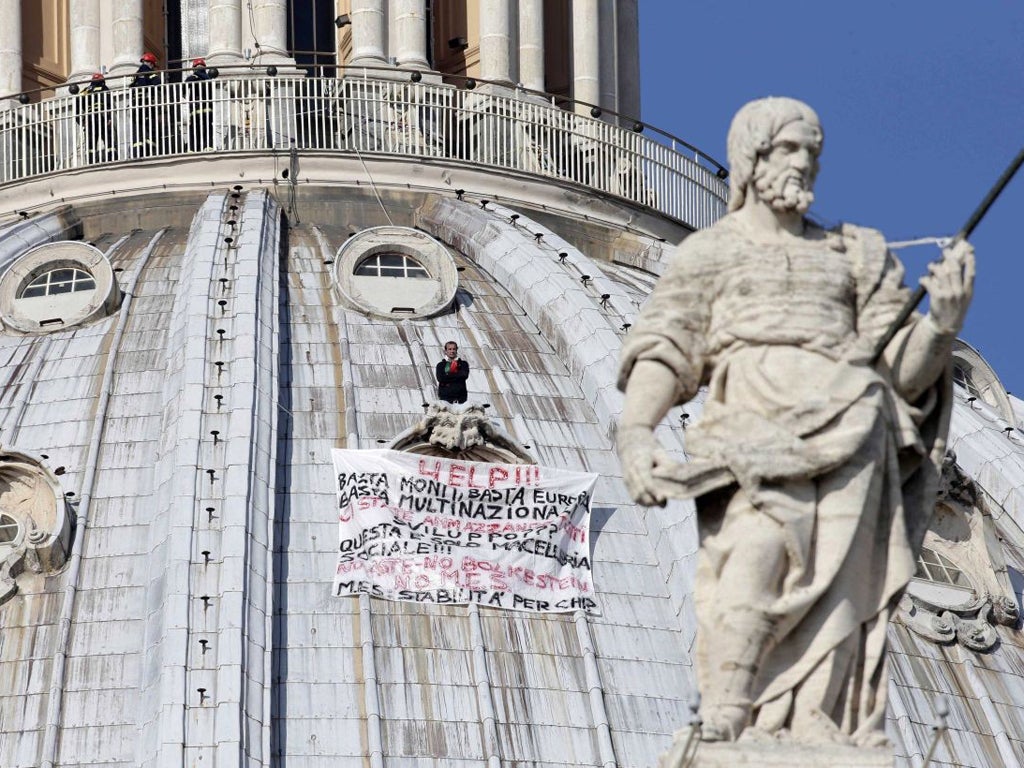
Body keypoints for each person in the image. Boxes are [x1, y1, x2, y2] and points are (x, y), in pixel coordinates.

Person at [617, 97, 973, 748]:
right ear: (752, 159)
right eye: (788, 149)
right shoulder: (710, 252)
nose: (804, 163)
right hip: (750, 427)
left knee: (844, 576)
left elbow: (901, 367)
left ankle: (816, 710)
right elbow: (668, 348)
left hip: (853, 430)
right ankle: (733, 700)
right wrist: (636, 430)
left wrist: (943, 325)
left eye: (813, 151)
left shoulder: (854, 253)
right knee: (753, 557)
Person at [77, 73, 115, 163]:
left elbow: (78, 102)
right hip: (102, 116)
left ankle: (91, 161)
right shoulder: (104, 88)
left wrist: (81, 120)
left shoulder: (86, 90)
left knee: (91, 141)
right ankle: (112, 158)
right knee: (107, 138)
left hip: (90, 118)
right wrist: (109, 117)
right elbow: (108, 102)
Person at [129, 52, 162, 157]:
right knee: (151, 125)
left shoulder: (136, 75)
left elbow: (131, 88)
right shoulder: (149, 72)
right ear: (151, 63)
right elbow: (157, 83)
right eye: (153, 65)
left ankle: (136, 151)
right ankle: (151, 149)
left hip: (135, 104)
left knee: (137, 127)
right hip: (146, 103)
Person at [185, 57, 214, 152]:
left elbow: (185, 85)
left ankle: (193, 148)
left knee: (194, 128)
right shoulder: (209, 78)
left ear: (194, 68)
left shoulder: (193, 78)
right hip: (206, 108)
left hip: (196, 107)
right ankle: (208, 146)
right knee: (207, 127)